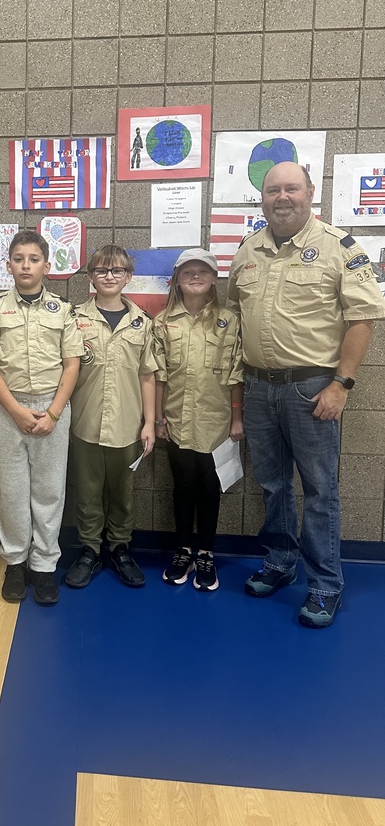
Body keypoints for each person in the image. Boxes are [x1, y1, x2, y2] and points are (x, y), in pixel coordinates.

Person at [228, 161, 385, 627]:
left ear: (310, 192)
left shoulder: (340, 247)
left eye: (291, 188)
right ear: (262, 197)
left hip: (314, 388)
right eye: (273, 189)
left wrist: (342, 384)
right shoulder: (248, 248)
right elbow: (239, 311)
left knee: (319, 490)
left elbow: (362, 320)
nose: (282, 197)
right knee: (273, 484)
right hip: (258, 386)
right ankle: (280, 561)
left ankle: (324, 585)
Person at [0, 231, 84, 606]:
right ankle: (16, 562)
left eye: (33, 259)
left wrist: (53, 413)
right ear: (8, 265)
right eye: (18, 258)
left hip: (52, 406)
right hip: (8, 409)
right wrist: (16, 410)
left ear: (47, 266)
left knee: (49, 491)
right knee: (13, 492)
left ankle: (45, 566)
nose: (25, 265)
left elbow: (72, 364)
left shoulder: (63, 310)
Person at [65, 245, 156, 590]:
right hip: (85, 423)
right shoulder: (74, 319)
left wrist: (149, 422)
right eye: (101, 270)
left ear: (128, 277)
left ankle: (119, 547)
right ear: (90, 277)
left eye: (117, 271)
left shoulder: (141, 323)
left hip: (128, 426)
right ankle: (89, 549)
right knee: (87, 493)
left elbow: (148, 375)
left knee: (123, 492)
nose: (109, 276)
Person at [153, 248, 244, 592]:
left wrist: (237, 418)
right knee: (182, 487)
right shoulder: (163, 322)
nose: (195, 276)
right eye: (187, 271)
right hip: (177, 420)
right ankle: (182, 551)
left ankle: (205, 553)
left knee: (209, 488)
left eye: (202, 271)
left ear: (213, 279)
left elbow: (237, 372)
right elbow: (158, 374)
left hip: (217, 421)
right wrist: (159, 418)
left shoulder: (229, 320)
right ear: (176, 279)